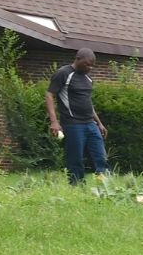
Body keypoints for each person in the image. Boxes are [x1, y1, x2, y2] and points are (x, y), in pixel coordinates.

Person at [45, 49, 110, 184]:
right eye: (87, 64)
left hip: (90, 124)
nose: (90, 68)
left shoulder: (88, 78)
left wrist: (99, 123)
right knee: (75, 158)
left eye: (92, 65)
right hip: (72, 124)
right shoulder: (63, 73)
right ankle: (77, 185)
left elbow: (88, 102)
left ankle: (104, 184)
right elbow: (50, 95)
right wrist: (54, 121)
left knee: (100, 156)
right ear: (78, 59)